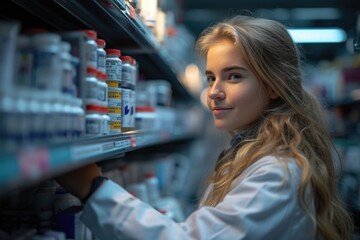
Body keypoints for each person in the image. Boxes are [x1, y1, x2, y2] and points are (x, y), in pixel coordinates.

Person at [56, 15, 354, 239]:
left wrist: (93, 189)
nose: (214, 91)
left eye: (234, 76)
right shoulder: (250, 152)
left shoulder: (278, 173)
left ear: (275, 84)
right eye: (211, 78)